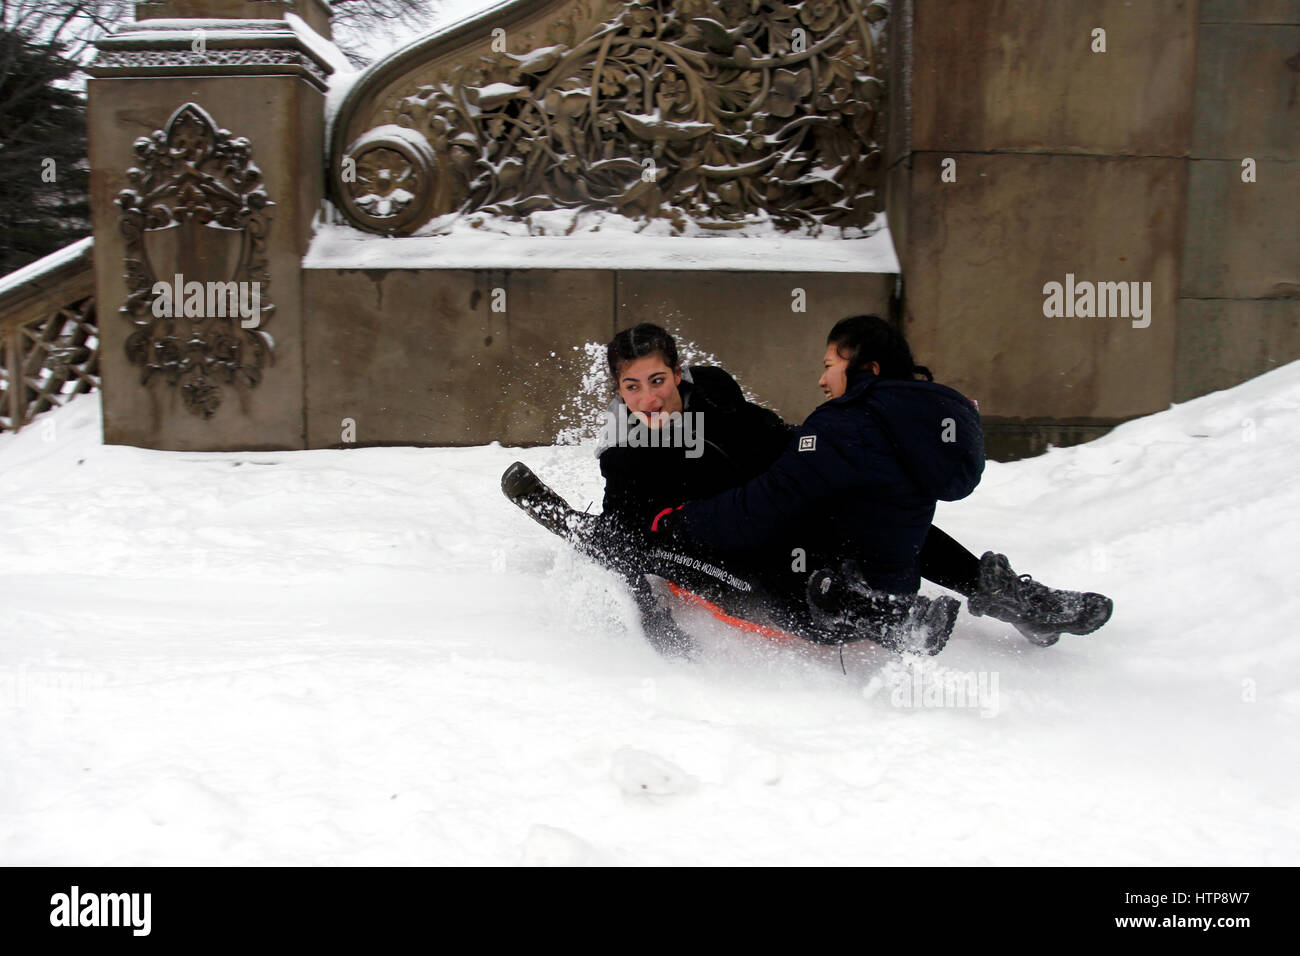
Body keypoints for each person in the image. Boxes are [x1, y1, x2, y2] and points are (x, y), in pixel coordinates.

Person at [503, 319, 1112, 654]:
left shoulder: (713, 388)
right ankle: (882, 619)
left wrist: (819, 454)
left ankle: (1009, 594)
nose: (648, 398)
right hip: (717, 541)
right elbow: (627, 538)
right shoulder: (625, 454)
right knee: (736, 562)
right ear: (618, 392)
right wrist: (651, 618)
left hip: (778, 499)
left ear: (678, 372)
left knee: (879, 517)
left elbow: (763, 430)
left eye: (656, 379)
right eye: (631, 388)